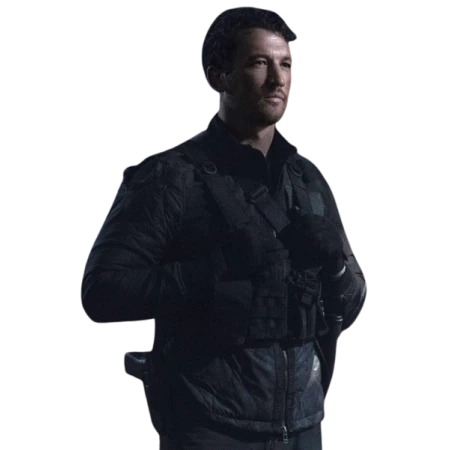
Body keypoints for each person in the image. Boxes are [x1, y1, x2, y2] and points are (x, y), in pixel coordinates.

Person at [80, 6, 368, 450]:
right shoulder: (174, 177)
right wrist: (212, 269)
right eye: (259, 62)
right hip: (209, 425)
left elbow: (350, 306)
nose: (277, 79)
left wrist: (337, 268)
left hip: (303, 426)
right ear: (218, 78)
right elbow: (100, 291)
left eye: (286, 65)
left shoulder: (306, 180)